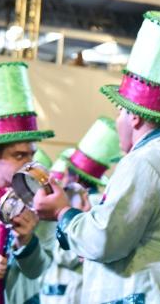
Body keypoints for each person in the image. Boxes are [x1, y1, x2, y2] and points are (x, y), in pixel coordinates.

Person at [33, 11, 160, 303]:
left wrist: (63, 214)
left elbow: (105, 239)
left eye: (120, 111)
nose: (118, 121)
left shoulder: (148, 160)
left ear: (135, 117)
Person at [0, 61, 55, 304]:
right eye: (19, 156)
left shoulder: (41, 197)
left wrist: (26, 241)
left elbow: (38, 269)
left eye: (32, 154)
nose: (29, 163)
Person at [40, 116, 121, 304]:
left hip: (70, 290)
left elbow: (68, 255)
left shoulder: (87, 205)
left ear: (73, 176)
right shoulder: (102, 203)